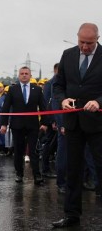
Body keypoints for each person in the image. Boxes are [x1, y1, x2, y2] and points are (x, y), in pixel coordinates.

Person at [52, 23, 102, 228]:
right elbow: (58, 85)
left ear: (97, 39)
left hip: (98, 125)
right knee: (73, 170)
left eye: (89, 43)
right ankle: (71, 214)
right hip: (73, 123)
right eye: (82, 42)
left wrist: (99, 101)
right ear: (77, 38)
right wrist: (62, 99)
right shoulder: (68, 54)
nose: (85, 47)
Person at [0, 66, 47, 185]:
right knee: (18, 151)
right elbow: (6, 107)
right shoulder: (12, 89)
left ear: (30, 75)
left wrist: (45, 123)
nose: (24, 75)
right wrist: (4, 124)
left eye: (26, 73)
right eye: (22, 73)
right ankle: (19, 174)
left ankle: (37, 175)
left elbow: (43, 107)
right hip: (17, 125)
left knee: (34, 151)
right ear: (19, 75)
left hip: (33, 126)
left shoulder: (37, 89)